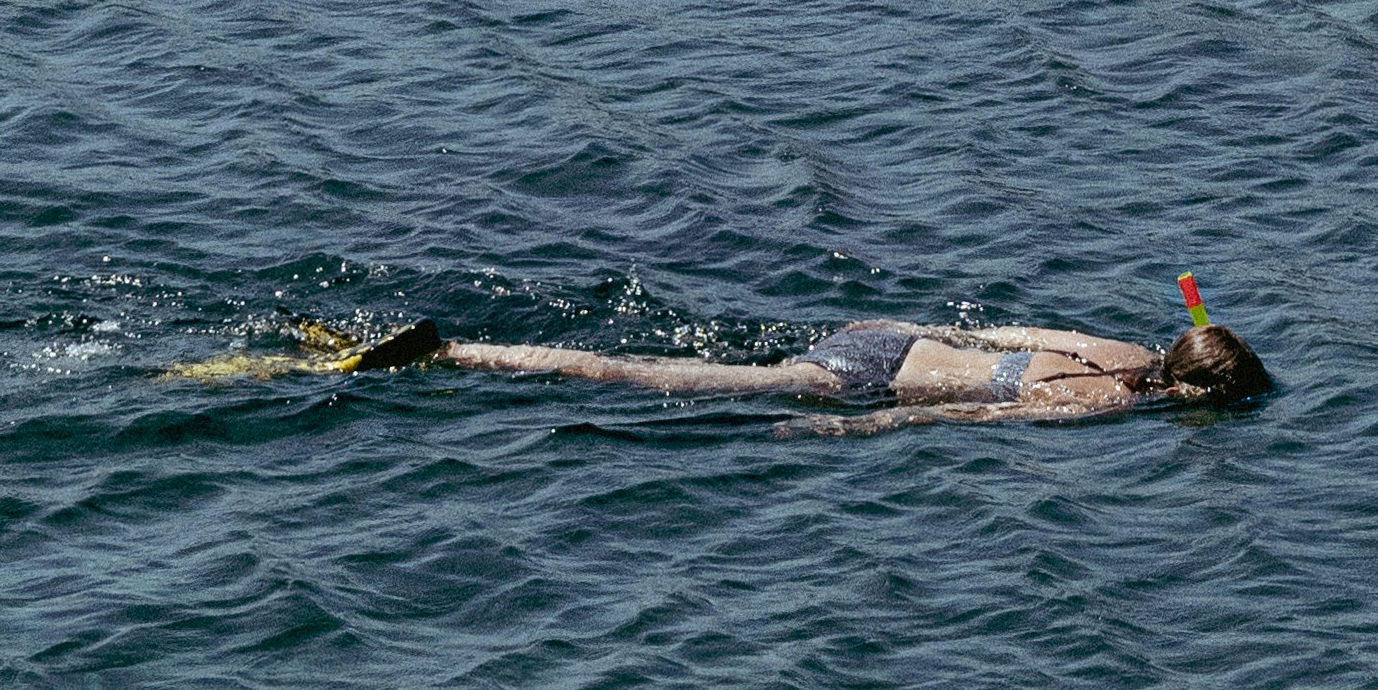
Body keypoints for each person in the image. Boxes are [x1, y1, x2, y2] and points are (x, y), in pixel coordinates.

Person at [186, 279, 1273, 418]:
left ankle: (427, 348)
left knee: (679, 361)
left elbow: (1000, 335)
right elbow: (973, 412)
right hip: (864, 375)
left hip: (890, 333)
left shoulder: (1118, 343)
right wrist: (872, 426)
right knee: (648, 374)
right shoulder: (1104, 405)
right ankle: (459, 352)